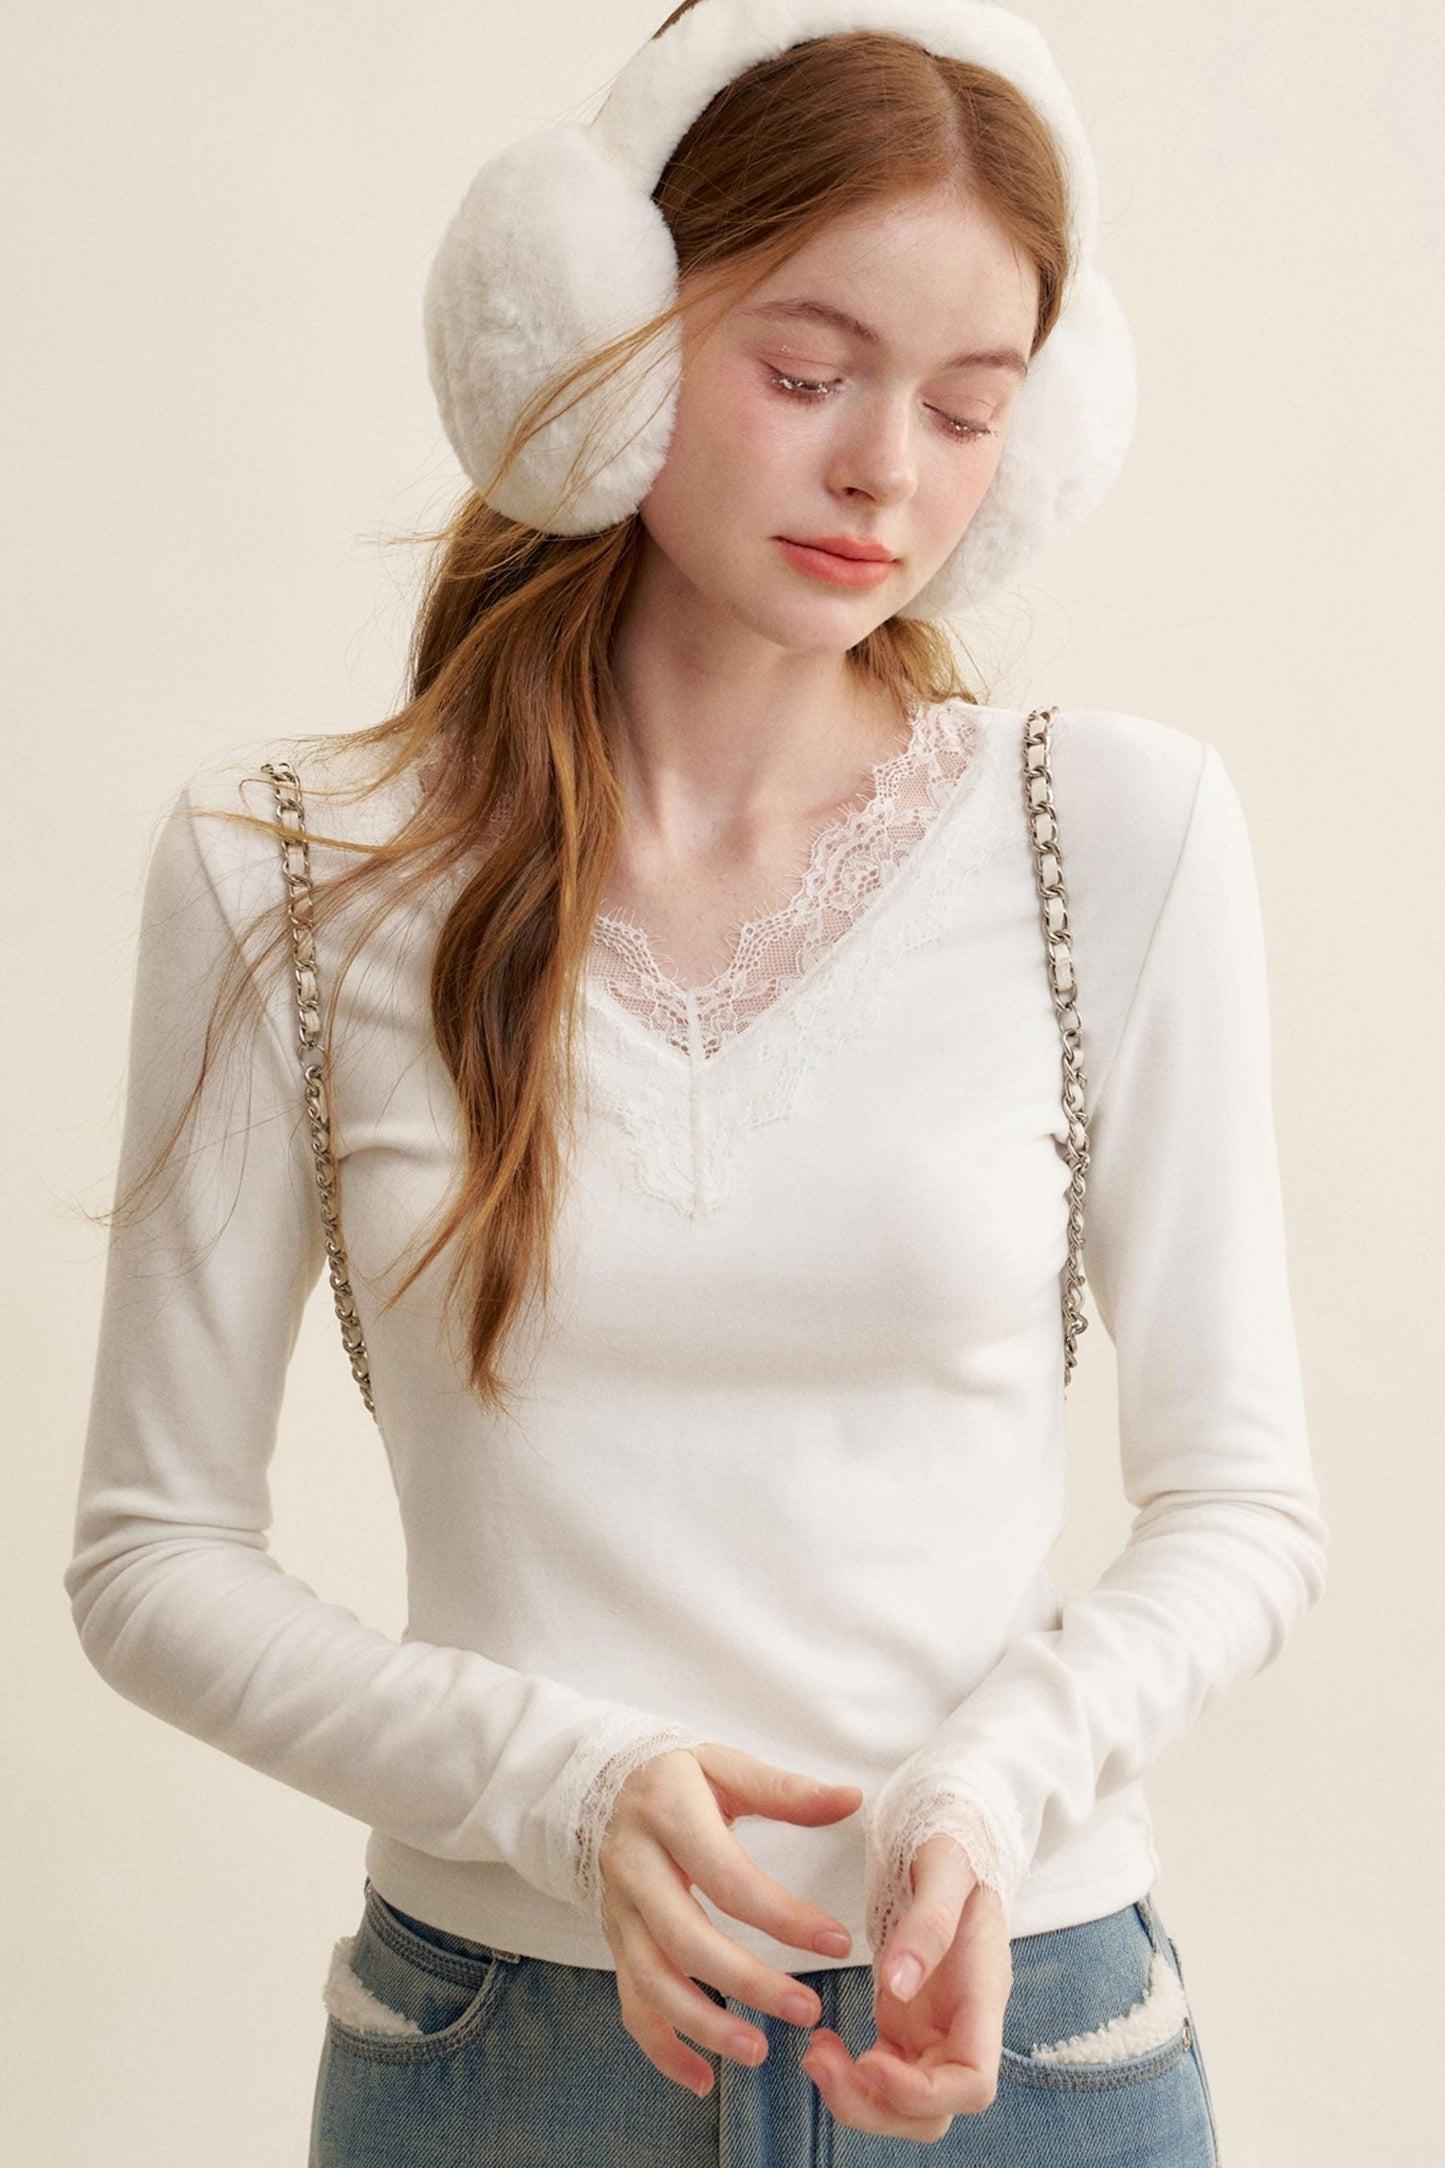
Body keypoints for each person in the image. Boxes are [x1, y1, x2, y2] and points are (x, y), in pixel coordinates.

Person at [64, 2, 1328, 2160]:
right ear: (607, 338)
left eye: (968, 407)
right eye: (809, 373)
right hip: (501, 2057)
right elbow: (150, 1554)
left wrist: (986, 1787)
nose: (888, 473)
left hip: (1026, 2043)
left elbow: (1244, 1505)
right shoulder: (287, 869)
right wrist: (558, 1785)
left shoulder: (1113, 833)